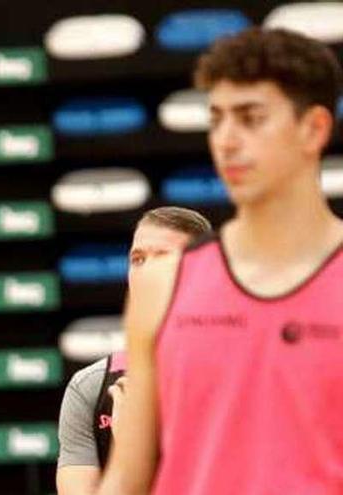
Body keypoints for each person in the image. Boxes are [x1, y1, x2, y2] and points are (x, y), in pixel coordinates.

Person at [98, 27, 343, 494]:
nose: (226, 141)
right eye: (216, 119)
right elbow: (127, 481)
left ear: (314, 128)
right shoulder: (162, 285)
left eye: (251, 118)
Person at [56, 206, 212, 495]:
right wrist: (129, 455)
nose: (145, 272)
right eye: (137, 259)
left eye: (163, 257)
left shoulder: (242, 375)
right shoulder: (90, 389)